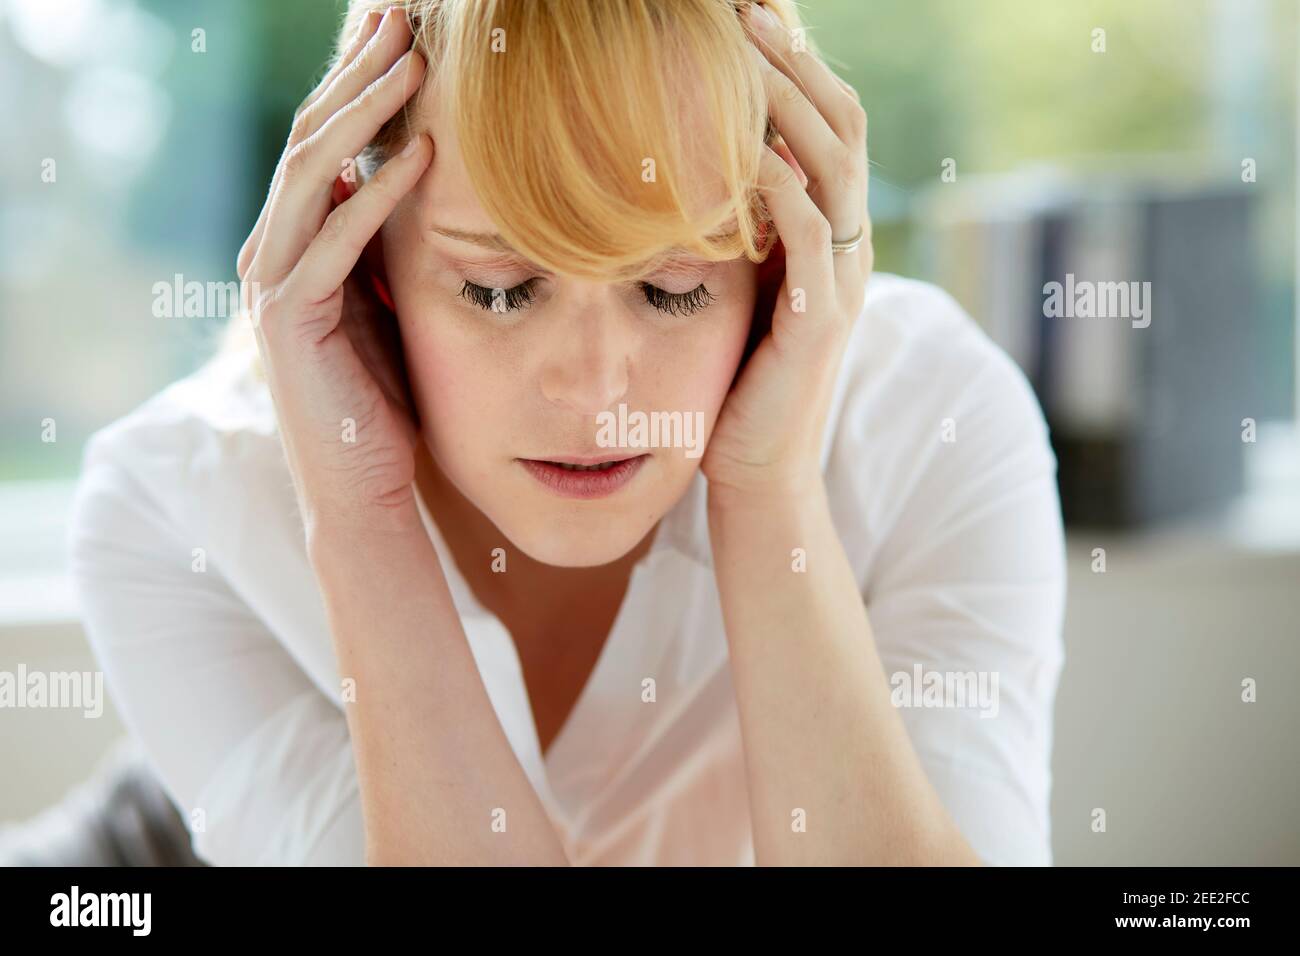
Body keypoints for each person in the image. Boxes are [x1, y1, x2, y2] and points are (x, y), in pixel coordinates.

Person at [67, 0, 1065, 866]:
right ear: (365, 257)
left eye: (674, 289)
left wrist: (770, 494)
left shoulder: (934, 419)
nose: (596, 389)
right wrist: (359, 513)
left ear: (771, 261)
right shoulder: (174, 507)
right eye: (500, 290)